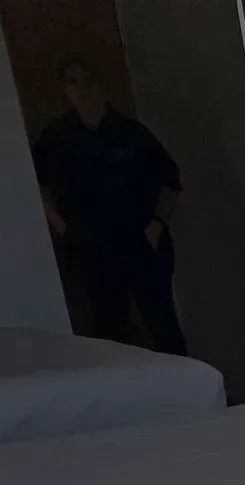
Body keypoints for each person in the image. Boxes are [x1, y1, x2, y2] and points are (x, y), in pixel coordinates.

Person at [32, 55, 188, 355]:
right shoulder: (56, 139)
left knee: (162, 324)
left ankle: (188, 382)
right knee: (109, 333)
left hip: (140, 242)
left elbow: (170, 181)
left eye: (88, 81)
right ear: (65, 89)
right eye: (73, 82)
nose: (83, 89)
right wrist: (65, 229)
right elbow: (35, 186)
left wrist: (156, 226)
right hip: (91, 246)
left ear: (102, 85)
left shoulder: (131, 133)